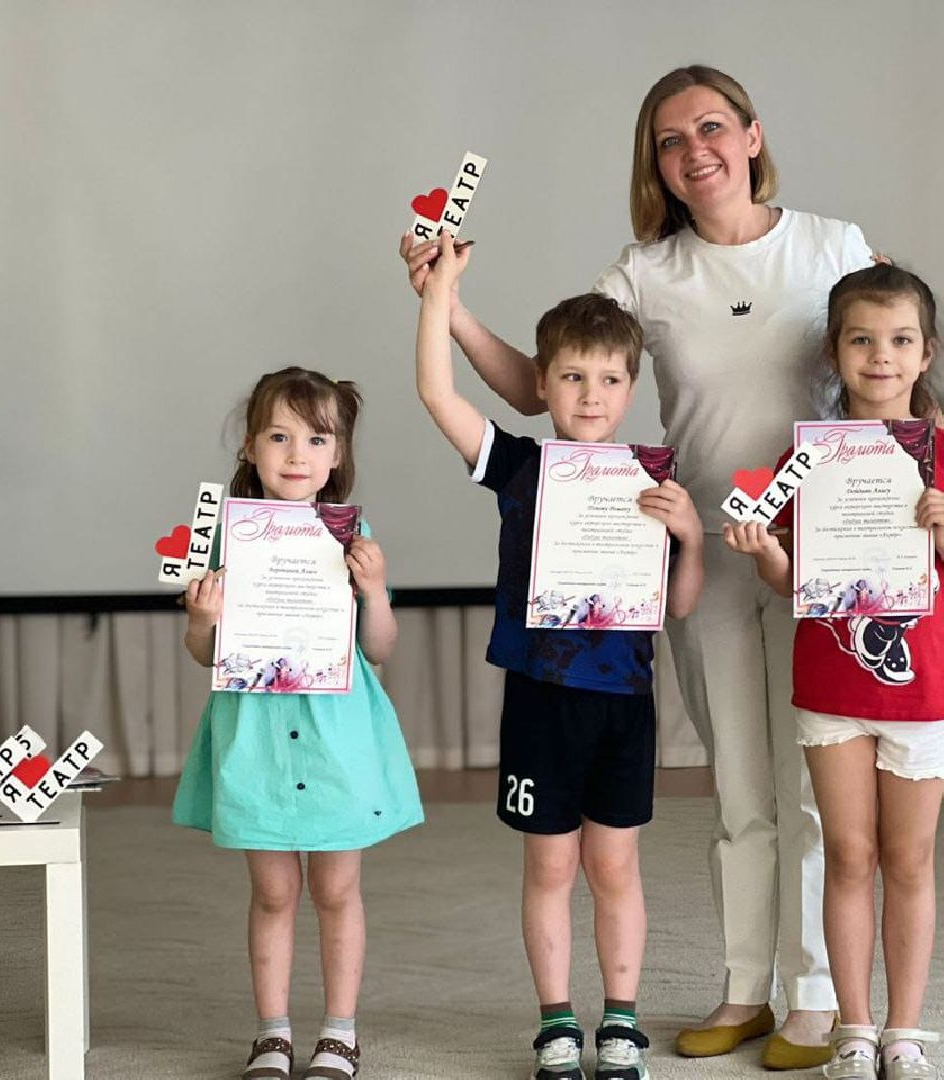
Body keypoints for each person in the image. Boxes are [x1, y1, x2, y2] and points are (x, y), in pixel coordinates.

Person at [400, 64, 873, 1067]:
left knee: (808, 785)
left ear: (751, 134)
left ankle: (818, 997)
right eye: (669, 138)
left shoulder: (833, 248)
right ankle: (746, 989)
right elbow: (546, 382)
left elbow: (891, 371)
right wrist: (448, 299)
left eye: (711, 126)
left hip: (810, 554)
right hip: (687, 551)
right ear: (654, 164)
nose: (693, 148)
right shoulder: (646, 270)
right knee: (740, 788)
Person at [415, 233, 704, 1080]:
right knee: (549, 862)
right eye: (571, 376)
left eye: (610, 378)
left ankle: (621, 1020)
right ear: (541, 385)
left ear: (631, 388)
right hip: (542, 697)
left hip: (625, 701)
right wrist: (442, 295)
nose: (590, 393)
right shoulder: (521, 465)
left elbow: (674, 608)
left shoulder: (653, 480)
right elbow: (437, 390)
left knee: (615, 864)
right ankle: (555, 1024)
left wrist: (687, 535)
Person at [723, 264, 944, 1079]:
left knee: (909, 860)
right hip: (833, 688)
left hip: (921, 692)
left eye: (900, 340)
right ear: (835, 351)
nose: (881, 357)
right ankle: (853, 1027)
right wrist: (769, 551)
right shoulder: (805, 460)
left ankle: (904, 1032)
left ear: (926, 355)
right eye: (862, 340)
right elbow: (788, 577)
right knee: (846, 854)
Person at [172, 367, 424, 1080]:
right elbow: (204, 654)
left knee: (337, 889)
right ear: (251, 447)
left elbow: (379, 649)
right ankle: (272, 1033)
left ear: (338, 455)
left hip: (336, 736)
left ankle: (339, 1032)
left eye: (317, 439)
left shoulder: (353, 534)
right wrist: (201, 619)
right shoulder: (227, 533)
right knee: (274, 891)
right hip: (256, 736)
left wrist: (373, 591)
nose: (297, 454)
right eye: (279, 436)